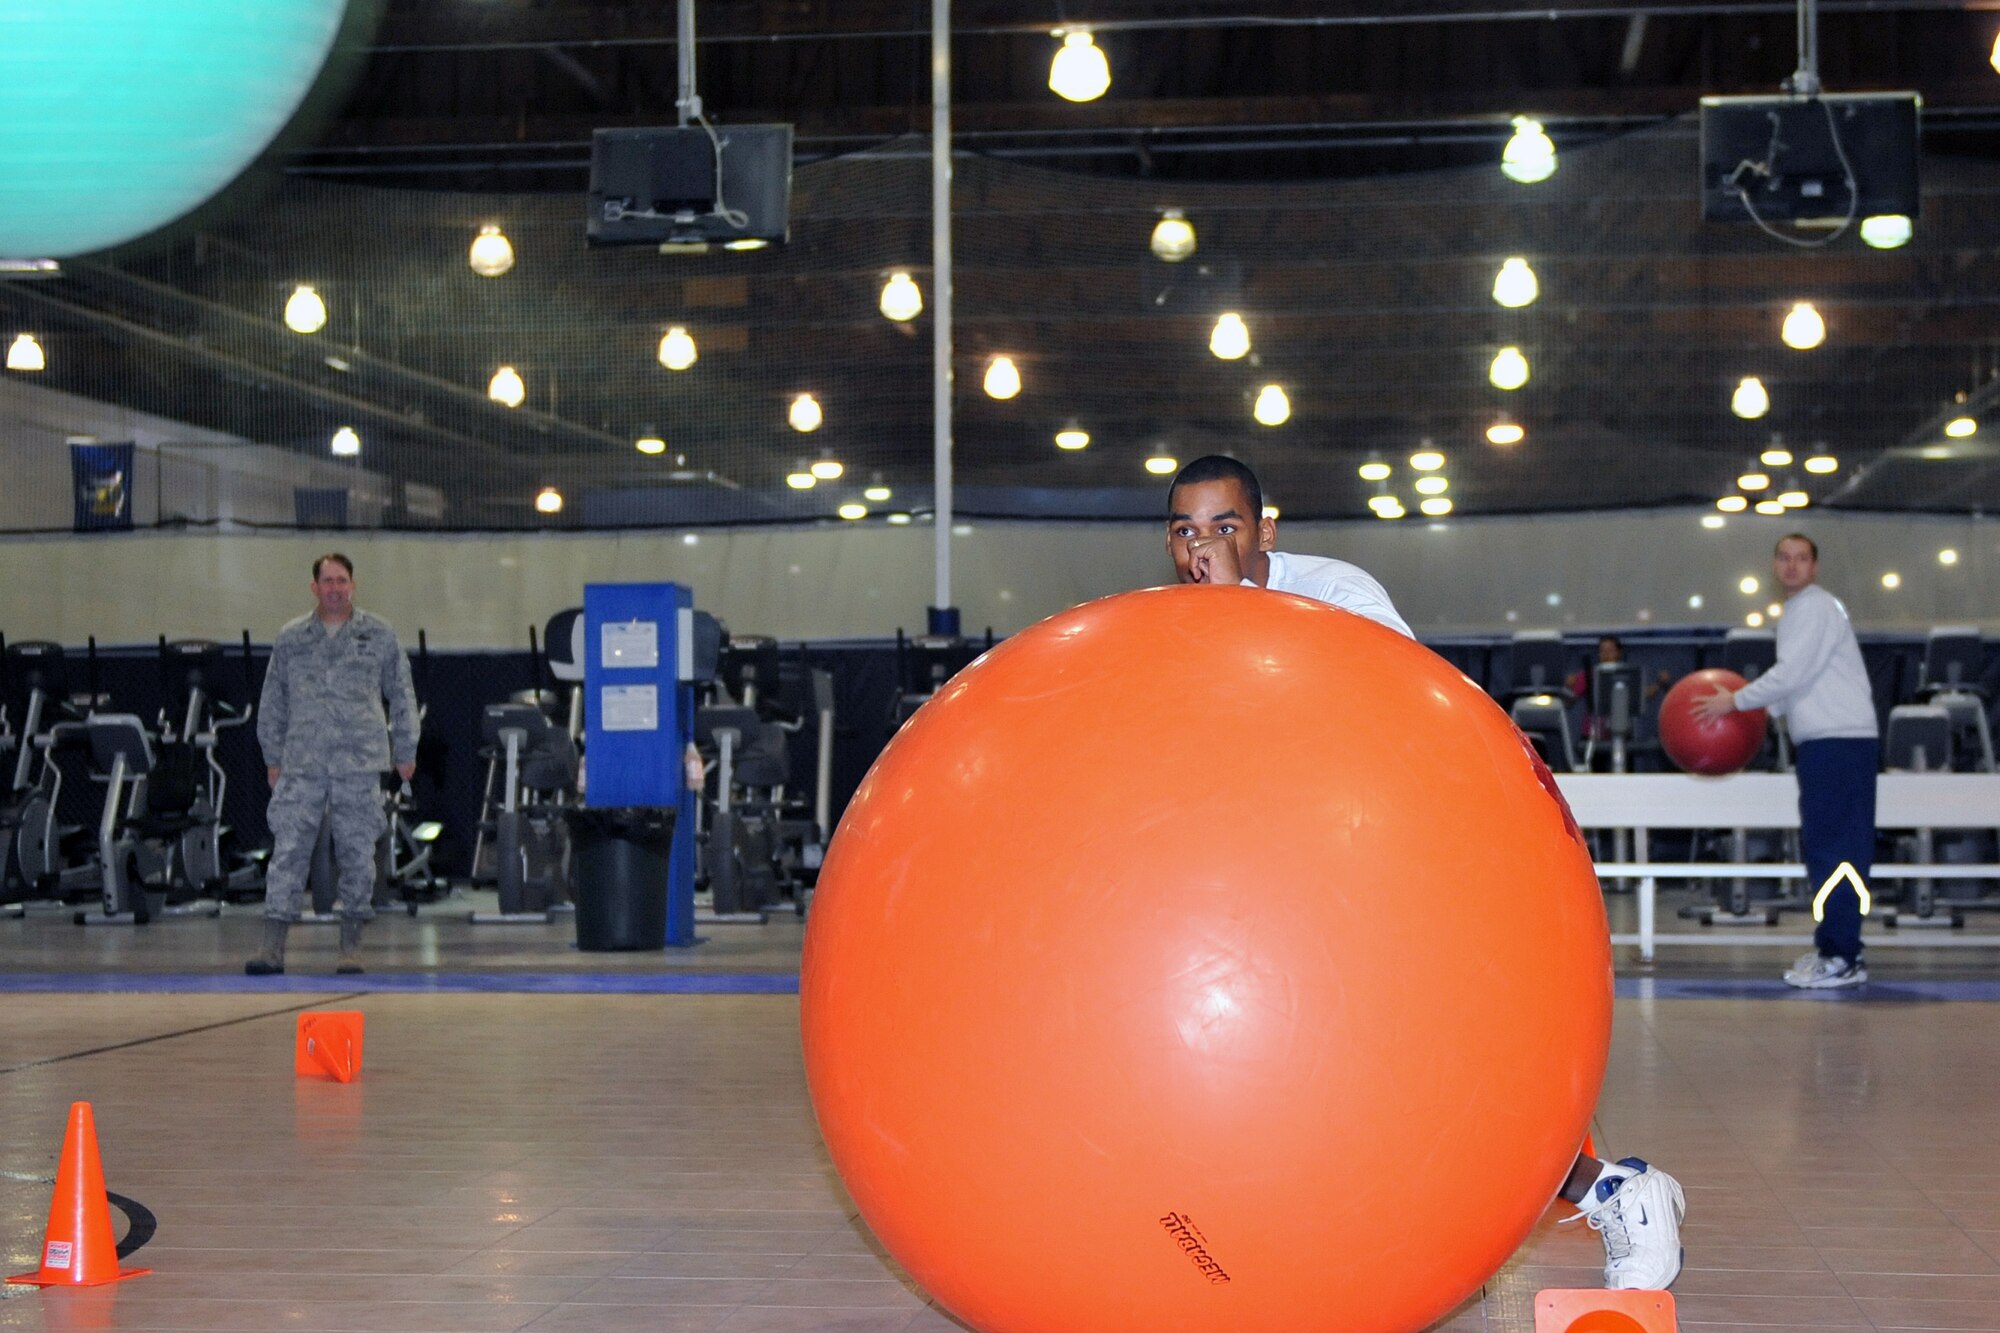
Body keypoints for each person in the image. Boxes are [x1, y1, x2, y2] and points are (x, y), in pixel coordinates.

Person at [1166, 454, 1686, 1291]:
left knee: (1429, 1066)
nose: (1204, 547)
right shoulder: (1165, 626)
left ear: (1265, 528)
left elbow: (1394, 707)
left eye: (1225, 526)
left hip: (1386, 867)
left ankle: (1617, 1191)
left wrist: (1236, 604)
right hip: (1267, 892)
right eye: (1186, 530)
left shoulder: (1336, 593)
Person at [1693, 533, 1877, 989]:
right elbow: (1797, 684)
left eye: (1802, 559)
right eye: (1785, 558)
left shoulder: (1815, 606)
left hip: (1839, 743)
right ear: (1775, 566)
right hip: (1826, 743)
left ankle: (1843, 957)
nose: (1792, 566)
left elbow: (1792, 674)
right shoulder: (1803, 610)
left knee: (1837, 851)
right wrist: (1757, 709)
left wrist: (1733, 703)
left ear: (1814, 567)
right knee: (1826, 847)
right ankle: (1834, 948)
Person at [246, 554, 419, 976]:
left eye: (342, 580)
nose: (336, 587)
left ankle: (351, 948)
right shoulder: (292, 637)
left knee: (358, 853)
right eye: (328, 581)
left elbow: (401, 693)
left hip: (358, 762)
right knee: (287, 852)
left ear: (353, 585)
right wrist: (273, 757)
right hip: (301, 761)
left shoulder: (378, 634)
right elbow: (273, 700)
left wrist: (406, 749)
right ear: (315, 587)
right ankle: (272, 949)